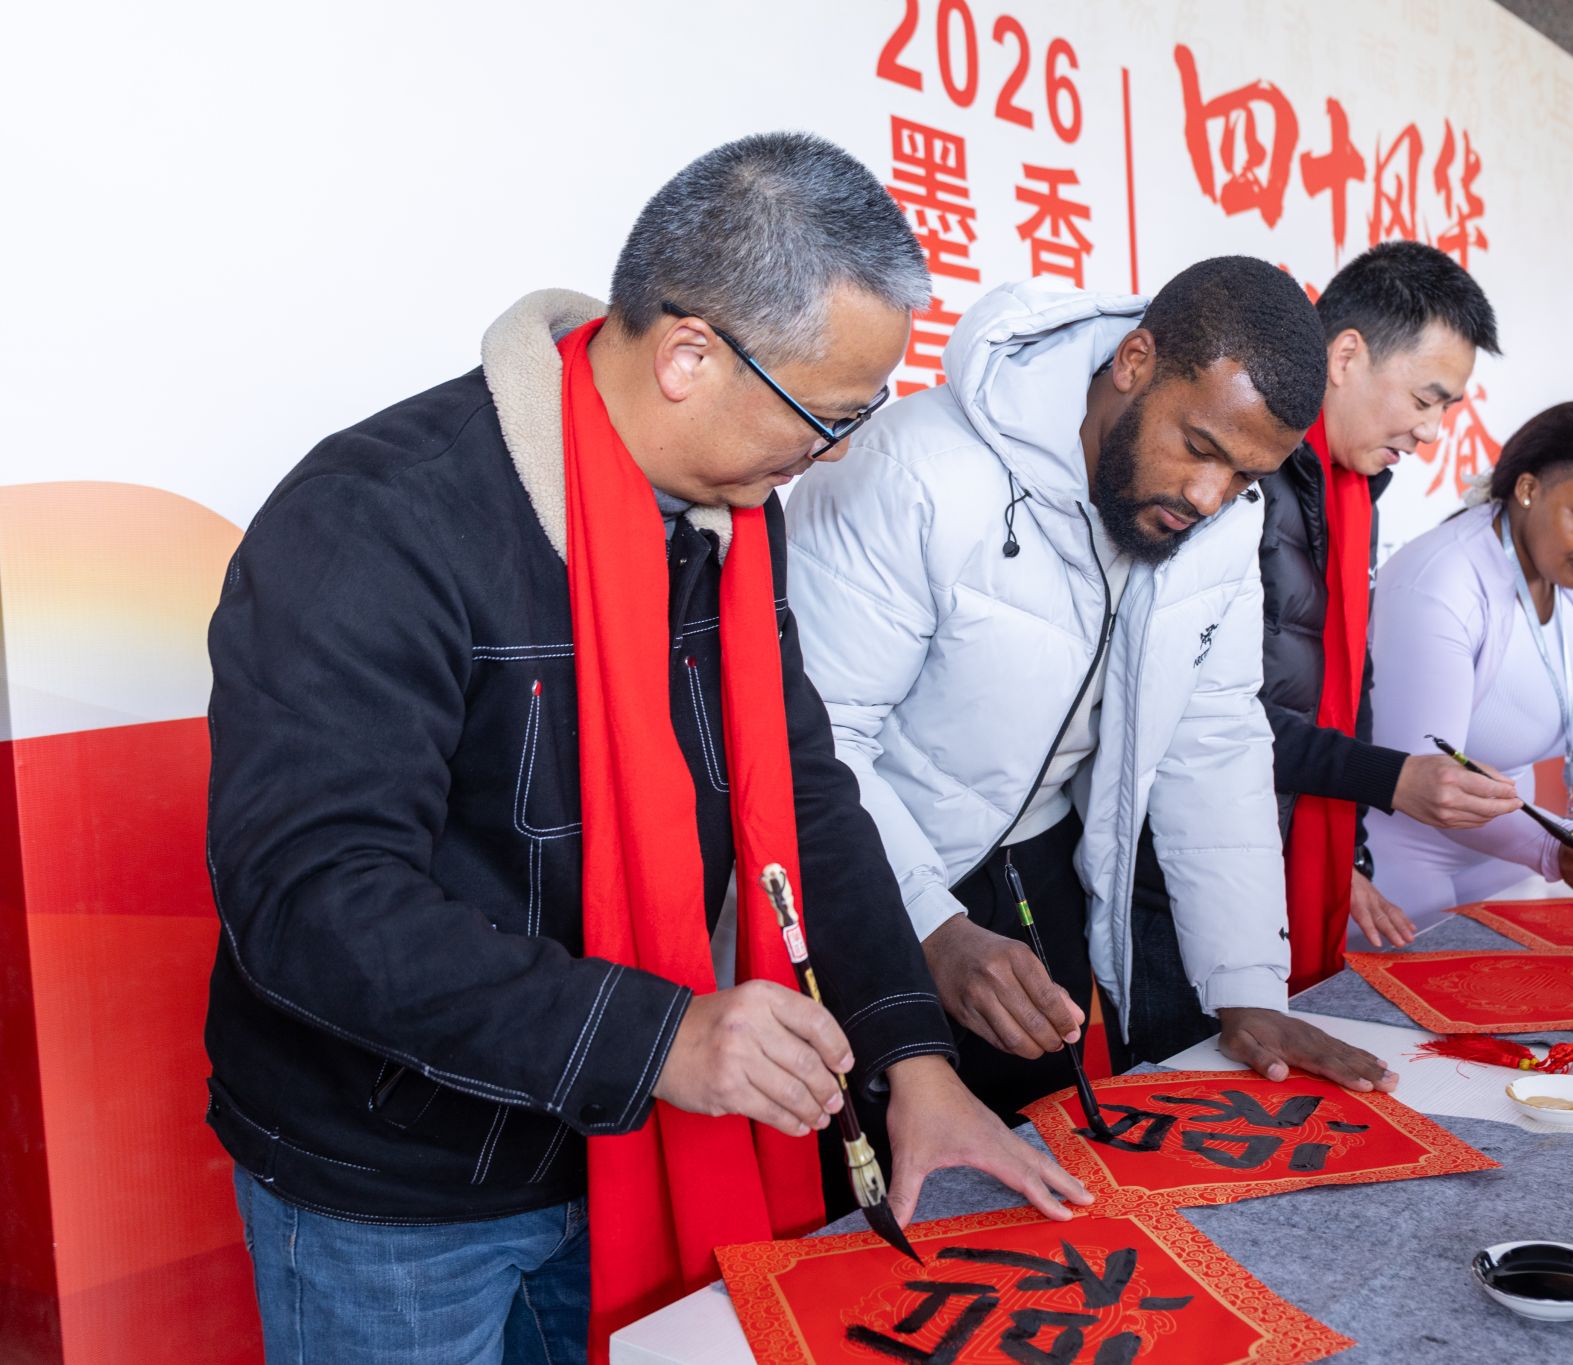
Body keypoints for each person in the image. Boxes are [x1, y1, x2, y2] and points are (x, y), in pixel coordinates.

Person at [203, 134, 1086, 1365]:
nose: (837, 451)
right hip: (402, 1182)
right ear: (688, 357)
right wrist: (659, 1039)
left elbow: (801, 792)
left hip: (633, 1138)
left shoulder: (731, 519)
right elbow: (311, 898)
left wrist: (912, 1056)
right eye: (827, 415)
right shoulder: (378, 520)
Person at [785, 259, 1394, 1123]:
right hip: (863, 877)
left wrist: (1246, 986)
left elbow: (1212, 738)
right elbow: (816, 738)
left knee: (1039, 1167)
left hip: (1037, 875)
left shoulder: (1224, 518)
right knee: (869, 1175)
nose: (1208, 497)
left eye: (1244, 478)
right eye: (1200, 448)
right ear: (1135, 362)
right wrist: (928, 924)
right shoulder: (911, 469)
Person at [1253, 241, 1523, 977]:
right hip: (1197, 869)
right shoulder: (1249, 478)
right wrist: (1392, 778)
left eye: (1445, 408)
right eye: (1424, 400)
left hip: (1288, 842)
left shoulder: (1350, 492)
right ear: (1345, 356)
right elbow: (1218, 715)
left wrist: (1352, 856)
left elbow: (1347, 685)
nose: (1431, 432)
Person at [1362, 401, 1573, 926]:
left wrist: (1557, 841)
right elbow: (1429, 779)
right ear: (1528, 489)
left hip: (1506, 859)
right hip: (1407, 868)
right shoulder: (1441, 582)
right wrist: (1555, 844)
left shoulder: (1564, 569)